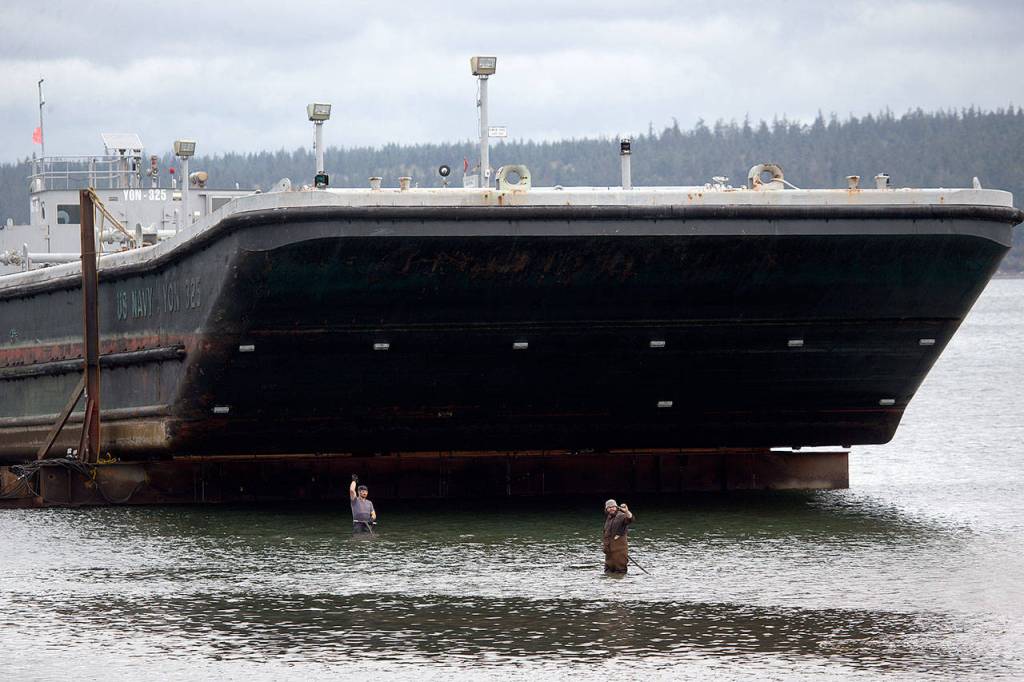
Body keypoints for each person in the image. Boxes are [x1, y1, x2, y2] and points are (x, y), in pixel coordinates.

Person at [602, 498, 633, 573]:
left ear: (616, 507)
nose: (611, 509)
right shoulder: (609, 518)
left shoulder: (621, 516)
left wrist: (627, 512)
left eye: (613, 506)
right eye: (609, 507)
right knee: (608, 573)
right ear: (606, 509)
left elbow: (630, 519)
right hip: (609, 553)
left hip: (619, 552)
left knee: (620, 573)